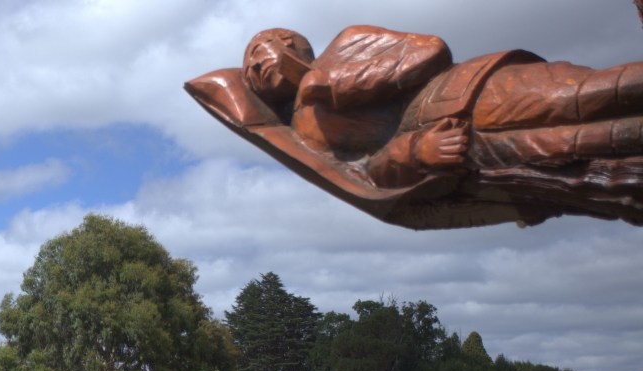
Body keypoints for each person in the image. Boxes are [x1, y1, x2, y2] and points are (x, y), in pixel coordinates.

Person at [187, 25, 643, 228]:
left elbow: (431, 52)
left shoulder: (347, 43)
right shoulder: (305, 135)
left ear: (288, 44)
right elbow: (370, 177)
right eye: (247, 69)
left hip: (477, 90)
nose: (251, 69)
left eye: (257, 53)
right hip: (474, 148)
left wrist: (330, 84)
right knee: (598, 151)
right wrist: (415, 154)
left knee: (596, 95)